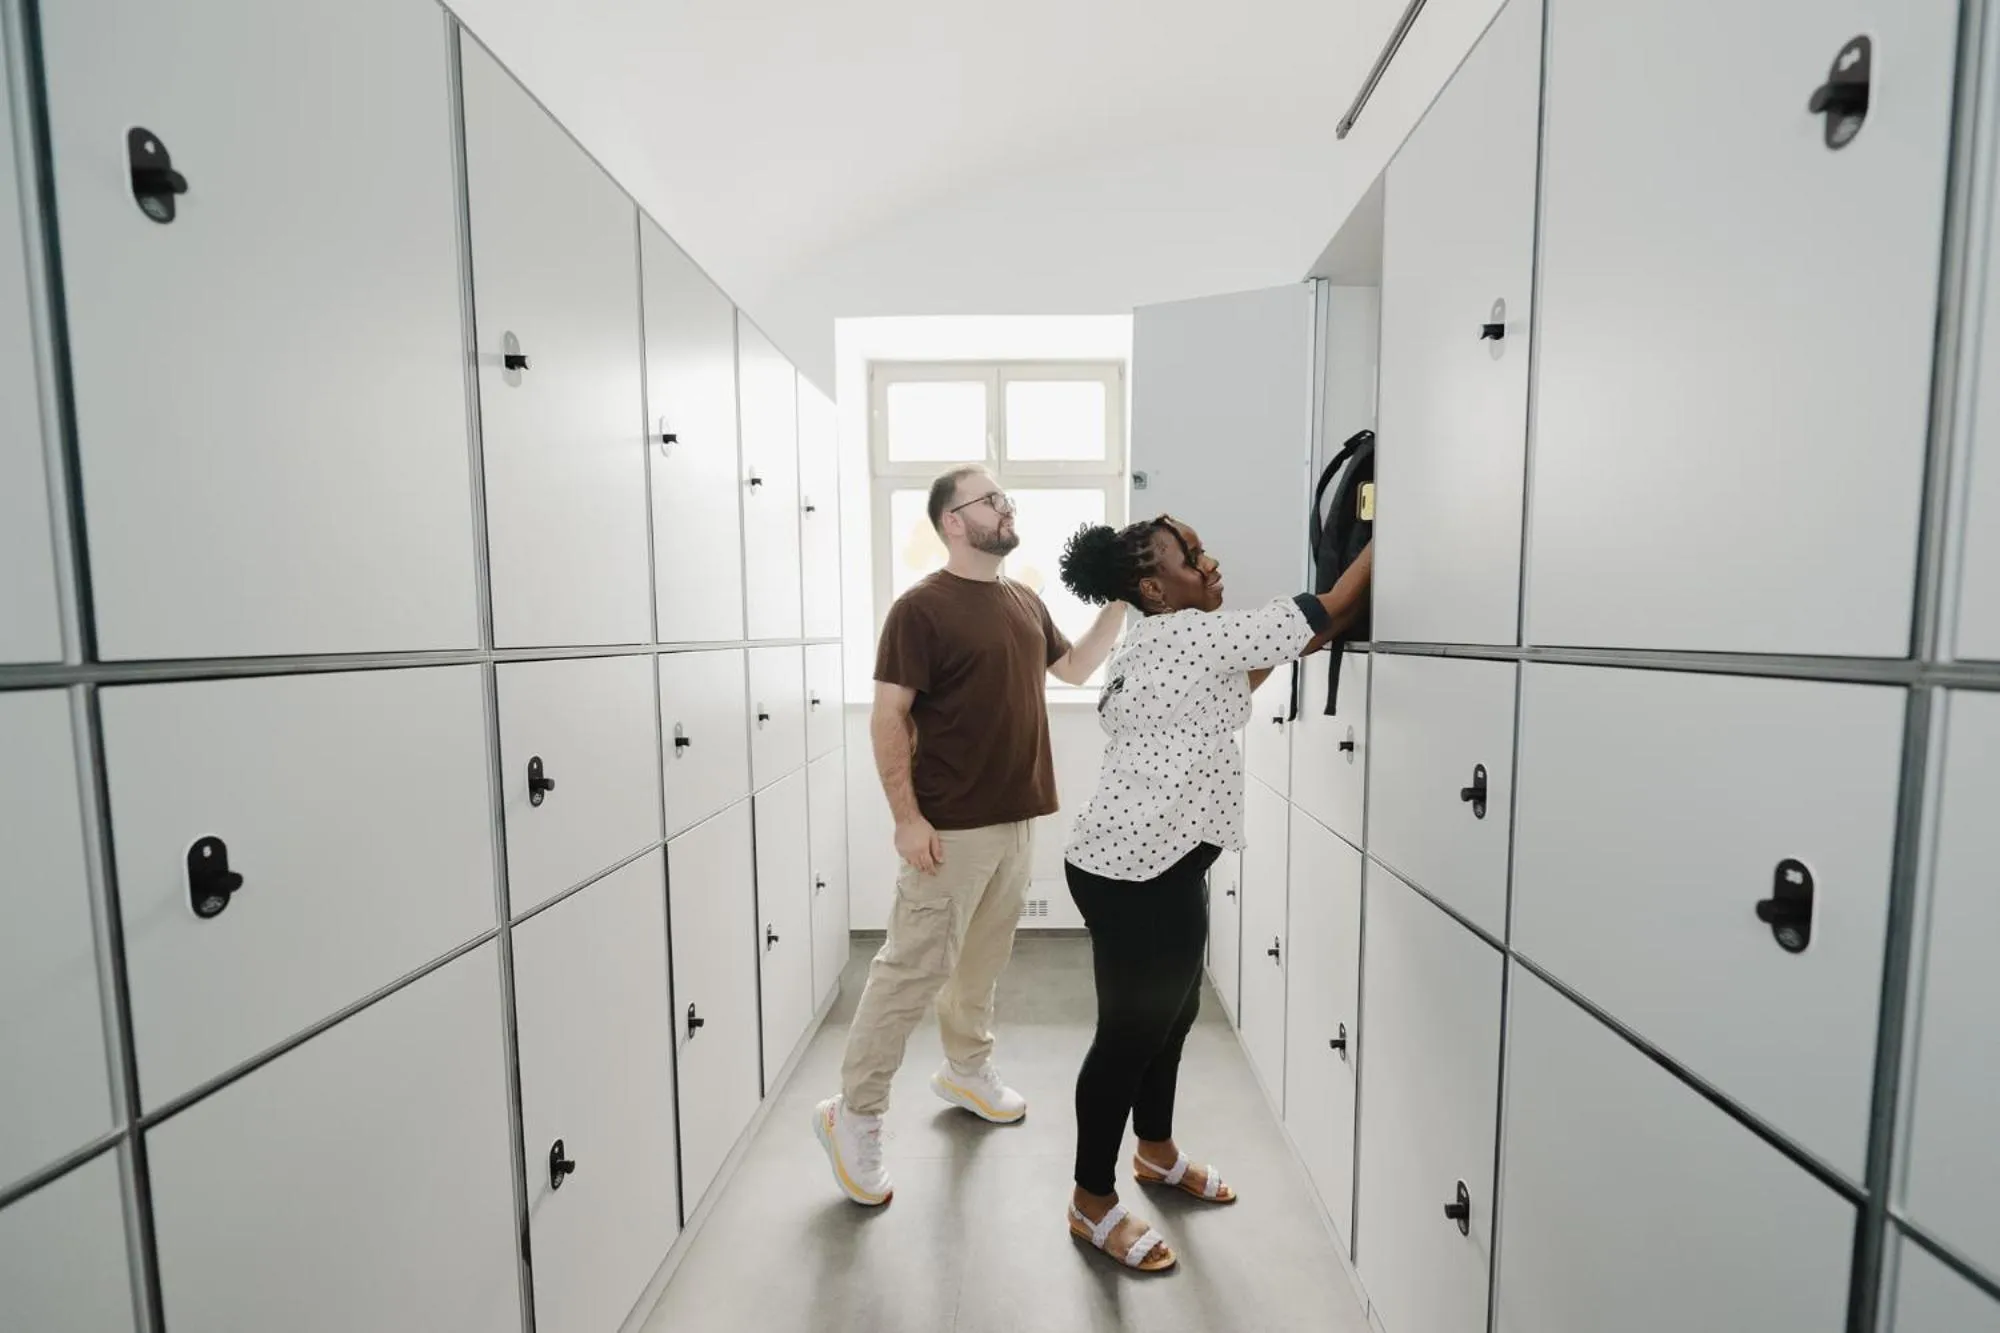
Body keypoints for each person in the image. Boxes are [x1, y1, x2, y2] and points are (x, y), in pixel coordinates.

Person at [1053, 515, 1374, 1272]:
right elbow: (1323, 609)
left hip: (1150, 864)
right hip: (1134, 876)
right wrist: (1397, 524)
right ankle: (1089, 1198)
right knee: (1130, 1034)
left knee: (1175, 1012)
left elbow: (1305, 638)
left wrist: (1338, 606)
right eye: (1189, 556)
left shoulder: (1160, 642)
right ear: (1156, 588)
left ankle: (1156, 1152)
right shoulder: (1192, 635)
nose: (1209, 560)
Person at [814, 465, 1127, 1207]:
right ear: (953, 521)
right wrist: (907, 818)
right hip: (949, 830)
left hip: (1017, 821)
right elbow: (888, 716)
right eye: (990, 500)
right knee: (909, 972)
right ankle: (853, 1112)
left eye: (1005, 498)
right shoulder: (920, 608)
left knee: (981, 964)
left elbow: (1077, 670)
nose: (1005, 506)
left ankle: (965, 1068)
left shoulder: (1021, 599)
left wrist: (1119, 600)